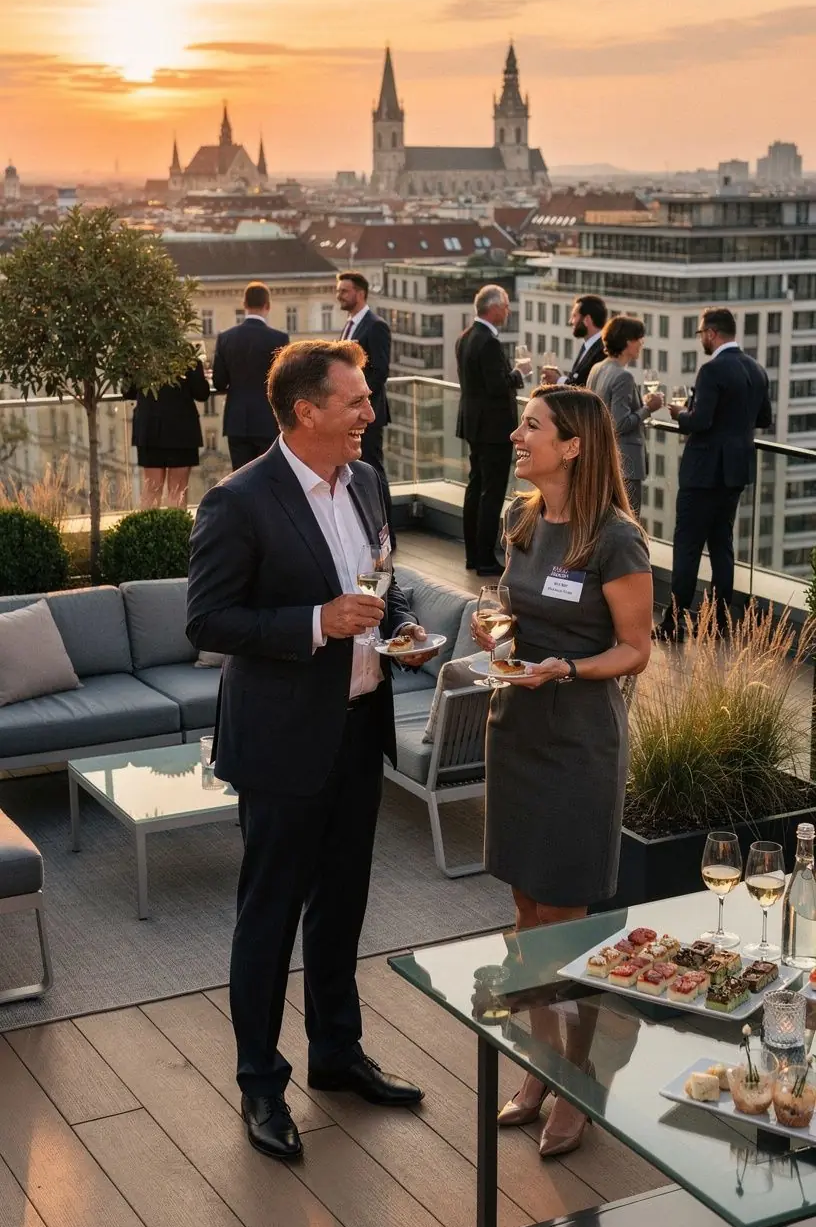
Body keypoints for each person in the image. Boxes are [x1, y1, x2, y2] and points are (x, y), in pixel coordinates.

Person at [186, 338, 432, 1162]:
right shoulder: (238, 500)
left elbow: (381, 580)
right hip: (282, 745)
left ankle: (335, 1054)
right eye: (357, 401)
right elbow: (208, 622)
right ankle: (261, 1084)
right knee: (269, 919)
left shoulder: (367, 480)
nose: (373, 412)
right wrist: (315, 623)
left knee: (342, 906)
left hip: (360, 730)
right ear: (306, 413)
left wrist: (400, 631)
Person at [471, 385, 652, 1156]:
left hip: (577, 741)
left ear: (573, 444)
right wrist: (497, 643)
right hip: (514, 729)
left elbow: (635, 650)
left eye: (532, 427)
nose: (517, 435)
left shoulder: (615, 540)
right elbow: (509, 615)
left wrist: (566, 669)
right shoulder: (518, 520)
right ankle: (540, 1067)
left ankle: (579, 1085)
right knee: (524, 913)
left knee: (566, 925)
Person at [656, 306, 773, 640]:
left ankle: (674, 622)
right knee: (722, 546)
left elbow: (700, 421)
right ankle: (720, 622)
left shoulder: (711, 370)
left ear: (711, 332)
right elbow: (763, 418)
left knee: (688, 545)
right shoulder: (756, 369)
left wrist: (681, 413)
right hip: (736, 471)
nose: (701, 340)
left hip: (703, 471)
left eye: (700, 334)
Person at [456, 284, 531, 576]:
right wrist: (519, 374)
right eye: (506, 305)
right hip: (493, 427)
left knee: (476, 487)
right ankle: (486, 558)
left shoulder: (465, 337)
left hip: (473, 423)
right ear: (493, 308)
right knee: (492, 491)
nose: (508, 311)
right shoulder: (488, 341)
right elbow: (497, 386)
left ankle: (473, 554)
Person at [335, 271, 395, 544]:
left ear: (360, 293)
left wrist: (355, 401)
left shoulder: (375, 326)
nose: (339, 295)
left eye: (344, 290)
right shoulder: (349, 325)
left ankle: (387, 535)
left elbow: (380, 371)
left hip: (368, 414)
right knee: (355, 471)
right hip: (350, 413)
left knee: (373, 471)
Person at [587, 315, 664, 518]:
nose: (642, 343)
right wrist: (649, 408)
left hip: (601, 459)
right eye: (640, 338)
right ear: (628, 341)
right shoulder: (623, 376)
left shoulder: (597, 369)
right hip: (625, 465)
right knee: (628, 522)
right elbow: (619, 423)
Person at [211, 281, 289, 470]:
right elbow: (285, 381)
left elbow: (219, 382)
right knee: (269, 477)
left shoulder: (225, 338)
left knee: (240, 478)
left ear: (244, 305)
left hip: (237, 421)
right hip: (268, 419)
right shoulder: (279, 339)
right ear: (267, 306)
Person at [124, 353, 210, 508]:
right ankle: (176, 531)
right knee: (178, 490)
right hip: (181, 429)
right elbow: (201, 393)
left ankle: (148, 531)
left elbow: (127, 391)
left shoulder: (140, 356)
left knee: (152, 489)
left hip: (149, 427)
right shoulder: (187, 356)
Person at [542, 294, 607, 388]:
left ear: (587, 320)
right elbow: (578, 379)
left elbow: (586, 388)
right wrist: (560, 378)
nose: (570, 321)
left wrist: (558, 380)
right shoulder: (587, 346)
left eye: (574, 316)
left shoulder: (603, 350)